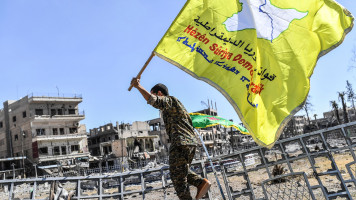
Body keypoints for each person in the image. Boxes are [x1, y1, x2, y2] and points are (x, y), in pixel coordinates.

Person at [130, 78, 211, 200]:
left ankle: (194, 189)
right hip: (189, 143)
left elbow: (154, 101)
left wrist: (138, 86)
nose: (152, 97)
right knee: (180, 171)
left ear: (159, 94)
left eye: (154, 94)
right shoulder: (172, 108)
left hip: (181, 142)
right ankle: (201, 183)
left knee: (177, 178)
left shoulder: (170, 101)